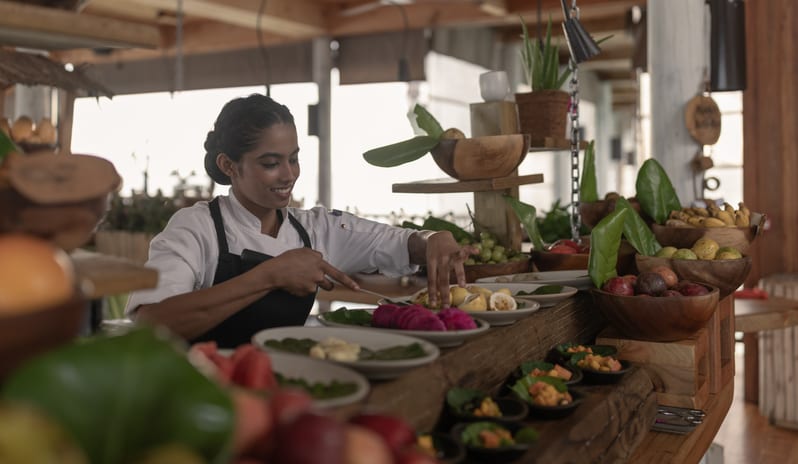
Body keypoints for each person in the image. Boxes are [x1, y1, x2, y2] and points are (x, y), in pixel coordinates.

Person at [126, 93, 475, 347]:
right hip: (203, 392)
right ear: (229, 165)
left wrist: (431, 239)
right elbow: (151, 323)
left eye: (293, 159)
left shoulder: (313, 230)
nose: (288, 174)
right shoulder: (196, 228)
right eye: (270, 163)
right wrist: (271, 274)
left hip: (283, 385)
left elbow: (398, 243)